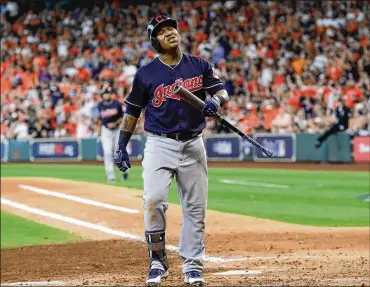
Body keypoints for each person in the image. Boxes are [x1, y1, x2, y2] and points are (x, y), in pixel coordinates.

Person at [114, 15, 229, 287]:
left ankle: (192, 265)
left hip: (193, 143)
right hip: (159, 143)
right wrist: (121, 145)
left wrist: (214, 101)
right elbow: (132, 112)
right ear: (155, 41)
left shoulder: (199, 65)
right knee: (153, 200)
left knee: (195, 207)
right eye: (163, 31)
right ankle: (157, 260)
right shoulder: (145, 75)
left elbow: (222, 91)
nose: (170, 33)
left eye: (172, 29)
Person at [97, 83, 128, 183]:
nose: (106, 95)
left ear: (111, 94)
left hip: (117, 130)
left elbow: (123, 116)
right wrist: (99, 130)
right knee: (107, 152)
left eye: (108, 93)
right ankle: (110, 175)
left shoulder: (117, 104)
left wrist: (115, 123)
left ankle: (124, 169)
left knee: (117, 152)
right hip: (106, 131)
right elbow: (100, 119)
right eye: (105, 93)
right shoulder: (100, 105)